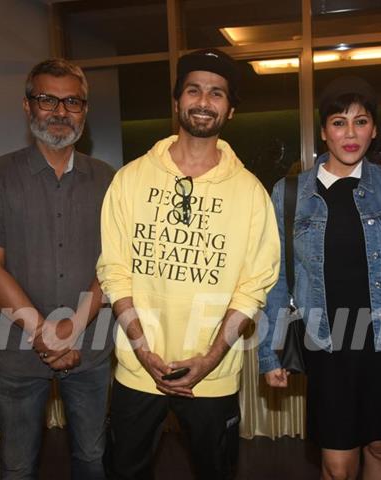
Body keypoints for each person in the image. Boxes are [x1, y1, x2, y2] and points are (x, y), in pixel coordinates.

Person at [96, 48, 280, 480]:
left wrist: (212, 358)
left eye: (216, 93)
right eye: (194, 90)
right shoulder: (129, 179)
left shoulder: (251, 192)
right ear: (177, 101)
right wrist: (143, 350)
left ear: (230, 110)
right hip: (138, 371)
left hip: (213, 377)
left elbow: (253, 286)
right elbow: (114, 271)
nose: (203, 101)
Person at [259, 76, 381, 480]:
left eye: (361, 121)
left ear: (374, 129)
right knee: (338, 465)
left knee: (380, 445)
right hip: (328, 343)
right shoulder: (289, 193)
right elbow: (277, 279)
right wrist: (270, 352)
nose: (350, 133)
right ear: (324, 132)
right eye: (339, 122)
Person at [0, 58, 114, 479]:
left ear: (85, 110)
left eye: (72, 102)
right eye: (47, 99)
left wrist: (71, 330)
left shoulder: (108, 180)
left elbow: (114, 265)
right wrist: (45, 333)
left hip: (90, 344)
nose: (59, 111)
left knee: (92, 458)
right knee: (17, 465)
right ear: (28, 106)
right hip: (15, 348)